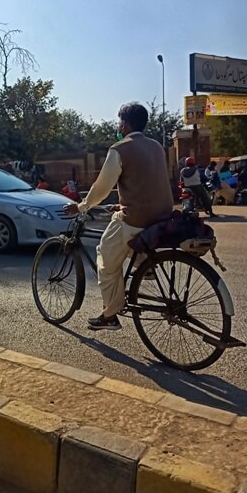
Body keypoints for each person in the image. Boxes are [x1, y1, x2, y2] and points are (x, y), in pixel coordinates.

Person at [64, 102, 174, 331]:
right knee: (126, 237)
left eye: (119, 122)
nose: (118, 126)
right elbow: (145, 183)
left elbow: (102, 187)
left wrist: (83, 206)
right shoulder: (156, 147)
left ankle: (110, 315)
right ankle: (146, 264)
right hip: (163, 215)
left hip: (137, 218)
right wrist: (121, 204)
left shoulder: (119, 149)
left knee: (104, 255)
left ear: (124, 124)